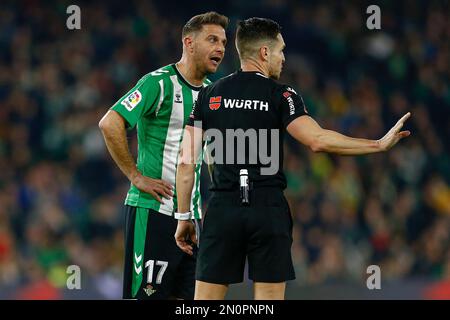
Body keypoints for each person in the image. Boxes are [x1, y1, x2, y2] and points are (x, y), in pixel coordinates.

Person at [174, 17, 411, 300]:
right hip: (267, 208)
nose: (283, 58)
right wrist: (378, 144)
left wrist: (184, 216)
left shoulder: (208, 95)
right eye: (280, 50)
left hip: (223, 208)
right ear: (264, 52)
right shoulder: (282, 95)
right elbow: (317, 140)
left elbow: (186, 161)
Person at [98, 12, 228, 299]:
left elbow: (212, 157)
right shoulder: (158, 83)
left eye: (223, 41)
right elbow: (110, 122)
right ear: (189, 43)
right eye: (212, 39)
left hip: (192, 221)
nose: (220, 47)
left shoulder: (212, 94)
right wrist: (136, 176)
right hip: (153, 211)